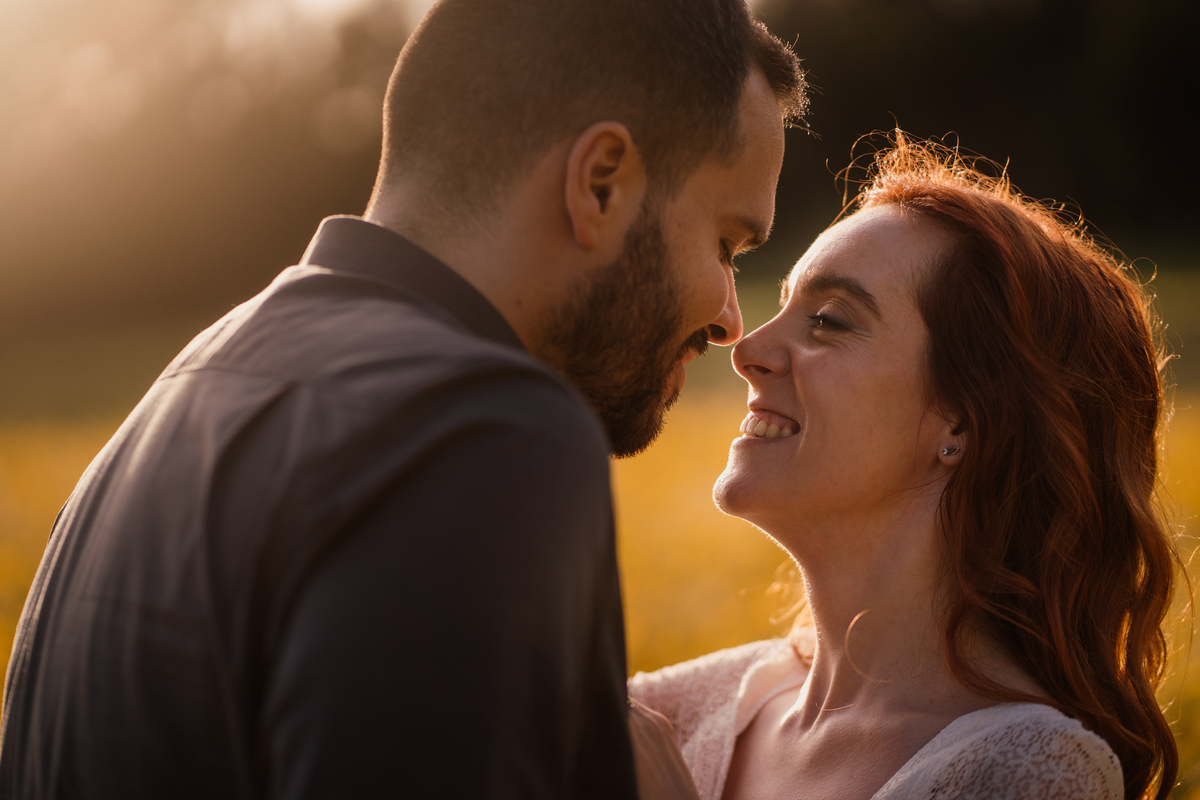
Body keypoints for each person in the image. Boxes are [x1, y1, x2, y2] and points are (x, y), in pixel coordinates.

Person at [0, 1, 805, 798]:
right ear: (601, 184)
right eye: (726, 245)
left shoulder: (174, 405)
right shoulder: (473, 427)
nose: (730, 323)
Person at [630, 135, 1180, 800]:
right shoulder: (680, 710)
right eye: (782, 306)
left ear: (962, 423)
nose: (748, 349)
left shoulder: (1033, 769)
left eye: (828, 320)